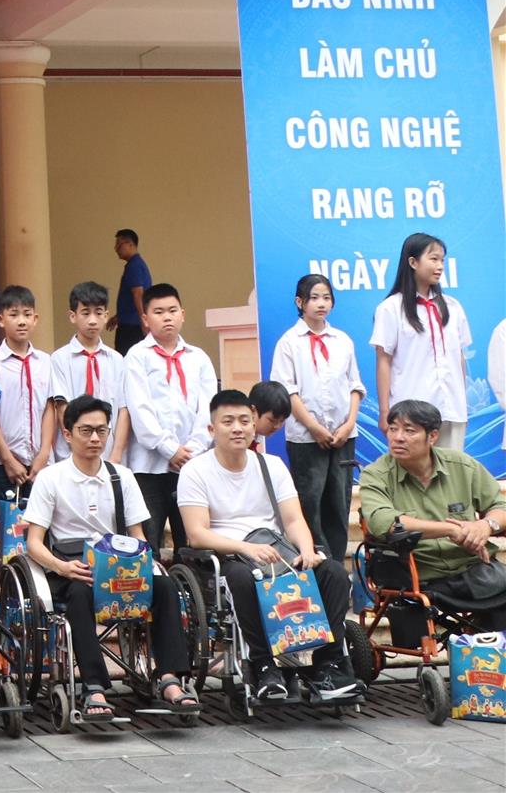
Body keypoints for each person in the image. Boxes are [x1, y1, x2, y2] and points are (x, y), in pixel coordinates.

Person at [178, 389, 365, 703]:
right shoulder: (195, 471)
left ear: (254, 425)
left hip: (277, 553)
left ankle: (329, 666)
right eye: (228, 421)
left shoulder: (272, 465)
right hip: (228, 556)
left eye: (244, 421)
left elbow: (293, 520)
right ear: (212, 429)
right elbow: (197, 534)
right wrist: (245, 548)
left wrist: (307, 550)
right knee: (240, 578)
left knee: (333, 573)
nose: (237, 428)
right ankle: (263, 665)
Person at [23, 396, 197, 720]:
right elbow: (33, 542)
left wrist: (143, 565)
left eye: (101, 431)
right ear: (67, 434)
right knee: (79, 594)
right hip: (72, 565)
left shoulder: (122, 476)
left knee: (165, 587)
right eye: (86, 430)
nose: (94, 438)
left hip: (120, 563)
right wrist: (62, 567)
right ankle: (94, 686)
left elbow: (138, 534)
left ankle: (170, 678)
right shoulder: (51, 478)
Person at [358, 399, 506, 631]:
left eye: (409, 431)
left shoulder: (462, 465)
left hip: (472, 569)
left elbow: (500, 505)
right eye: (393, 429)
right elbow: (383, 522)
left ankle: (487, 644)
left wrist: (486, 526)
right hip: (417, 573)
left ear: (433, 436)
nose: (398, 437)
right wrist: (451, 529)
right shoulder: (375, 474)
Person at [269, 275, 363, 562]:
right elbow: (288, 391)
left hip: (343, 435)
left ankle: (336, 565)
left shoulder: (342, 340)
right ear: (300, 302)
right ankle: (315, 563)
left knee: (339, 501)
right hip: (306, 438)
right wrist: (314, 427)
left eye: (326, 297)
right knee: (310, 502)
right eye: (314, 298)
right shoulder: (289, 343)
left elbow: (355, 386)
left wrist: (349, 424)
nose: (321, 303)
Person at [123, 283, 217, 557]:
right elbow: (139, 409)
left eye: (173, 310)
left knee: (190, 542)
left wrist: (193, 451)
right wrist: (169, 449)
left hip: (191, 465)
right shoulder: (137, 356)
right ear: (145, 319)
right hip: (148, 466)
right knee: (148, 541)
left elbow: (209, 408)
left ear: (183, 314)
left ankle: (191, 585)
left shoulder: (198, 358)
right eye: (159, 312)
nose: (167, 317)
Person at [372, 232, 473, 450]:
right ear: (413, 262)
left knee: (450, 469)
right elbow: (383, 361)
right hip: (411, 414)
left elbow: (460, 358)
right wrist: (385, 411)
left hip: (452, 410)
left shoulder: (453, 307)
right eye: (434, 259)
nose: (440, 266)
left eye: (442, 260)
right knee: (412, 470)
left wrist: (462, 402)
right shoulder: (390, 308)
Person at [47, 280, 131, 465]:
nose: (92, 320)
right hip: (71, 454)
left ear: (106, 316)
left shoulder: (117, 359)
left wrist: (117, 453)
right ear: (73, 316)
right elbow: (62, 407)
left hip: (109, 453)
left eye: (98, 313)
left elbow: (123, 408)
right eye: (85, 313)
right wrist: (77, 448)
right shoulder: (59, 359)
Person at [0, 285, 53, 498]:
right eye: (14, 315)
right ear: (0, 319)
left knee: (43, 519)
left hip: (41, 463)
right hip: (2, 463)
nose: (21, 321)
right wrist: (8, 459)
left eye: (27, 314)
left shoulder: (45, 361)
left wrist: (44, 453)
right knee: (7, 519)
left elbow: (49, 408)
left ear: (35, 319)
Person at [111, 229, 151, 355]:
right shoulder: (135, 264)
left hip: (132, 327)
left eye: (119, 244)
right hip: (130, 323)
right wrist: (119, 316)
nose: (116, 248)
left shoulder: (134, 266)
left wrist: (143, 320)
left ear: (130, 244)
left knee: (126, 359)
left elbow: (138, 294)